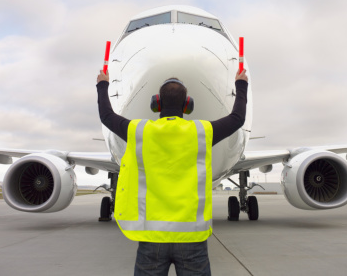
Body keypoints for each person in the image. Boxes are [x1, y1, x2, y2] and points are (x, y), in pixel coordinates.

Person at [97, 68, 248, 276]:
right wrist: (241, 84)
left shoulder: (139, 131)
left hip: (152, 239)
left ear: (156, 103)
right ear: (187, 105)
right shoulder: (202, 132)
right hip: (192, 239)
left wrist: (102, 84)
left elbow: (106, 116)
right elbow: (237, 118)